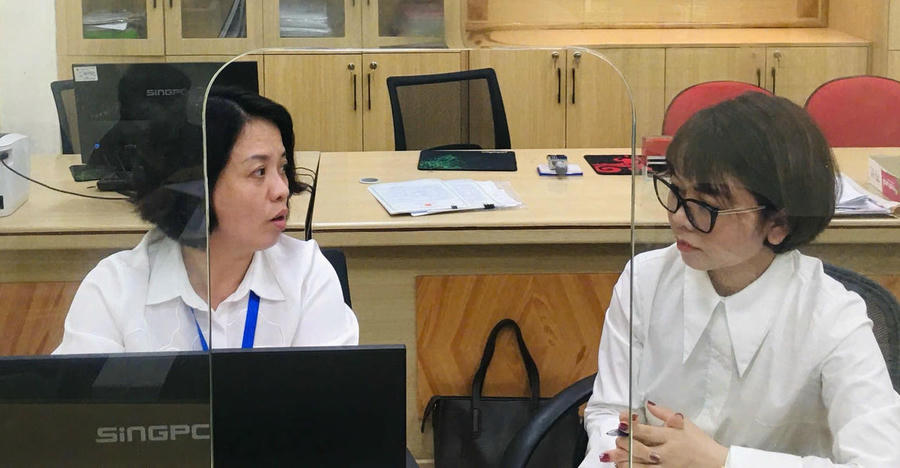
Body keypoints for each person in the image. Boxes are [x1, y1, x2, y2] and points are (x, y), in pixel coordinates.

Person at [580, 92, 900, 467]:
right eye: (677, 191)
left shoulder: (832, 318)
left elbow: (881, 462)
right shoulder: (646, 280)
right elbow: (609, 411)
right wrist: (619, 453)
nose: (679, 218)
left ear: (778, 223)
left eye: (706, 205)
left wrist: (722, 461)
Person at [54, 88, 358, 353]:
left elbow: (332, 397)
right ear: (195, 186)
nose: (282, 190)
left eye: (282, 168)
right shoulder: (113, 289)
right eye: (259, 172)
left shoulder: (306, 276)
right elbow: (78, 400)